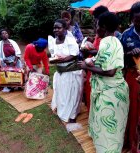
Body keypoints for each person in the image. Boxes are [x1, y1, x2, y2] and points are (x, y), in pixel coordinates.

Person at [78, 12, 129, 152]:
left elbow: (110, 71)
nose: (95, 28)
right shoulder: (111, 41)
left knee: (109, 130)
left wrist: (86, 67)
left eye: (97, 25)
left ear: (104, 27)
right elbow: (104, 61)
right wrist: (92, 61)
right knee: (110, 129)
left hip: (110, 93)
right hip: (110, 92)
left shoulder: (109, 43)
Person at [49, 19, 84, 123]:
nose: (56, 30)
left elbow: (74, 55)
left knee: (72, 94)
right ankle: (63, 111)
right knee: (62, 93)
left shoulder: (70, 40)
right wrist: (55, 59)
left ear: (64, 29)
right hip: (60, 73)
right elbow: (53, 55)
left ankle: (72, 115)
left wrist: (61, 59)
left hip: (71, 72)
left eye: (58, 27)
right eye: (54, 28)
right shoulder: (53, 41)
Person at [121, 2, 140, 151]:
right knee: (132, 111)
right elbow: (120, 58)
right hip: (132, 76)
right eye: (137, 19)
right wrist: (130, 53)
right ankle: (131, 143)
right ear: (132, 18)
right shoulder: (126, 35)